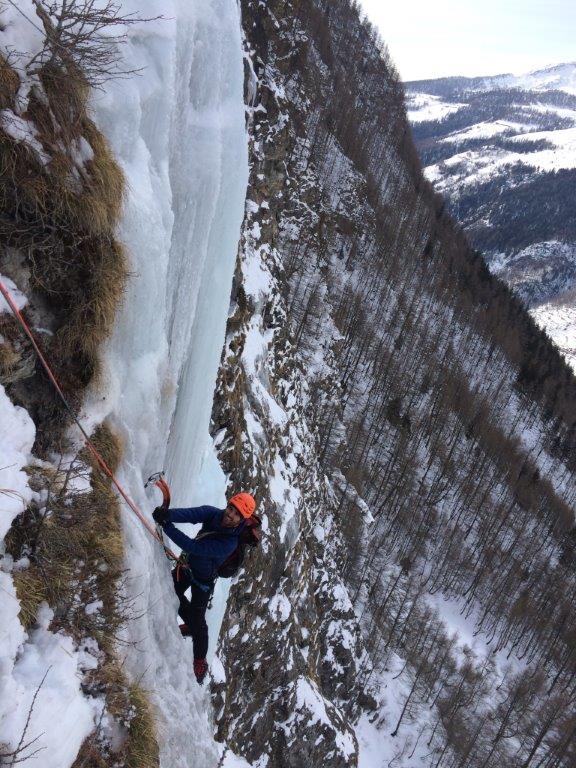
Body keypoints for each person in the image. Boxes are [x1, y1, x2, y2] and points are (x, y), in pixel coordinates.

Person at [152, 492, 257, 684]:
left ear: (242, 520)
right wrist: (168, 515)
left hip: (203, 581)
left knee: (198, 623)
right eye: (231, 508)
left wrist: (167, 526)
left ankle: (200, 661)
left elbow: (194, 547)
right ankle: (190, 624)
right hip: (188, 567)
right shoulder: (212, 514)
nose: (230, 514)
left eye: (236, 514)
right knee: (167, 588)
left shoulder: (229, 544)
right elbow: (190, 514)